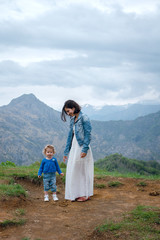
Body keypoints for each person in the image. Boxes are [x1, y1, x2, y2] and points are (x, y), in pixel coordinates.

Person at [61, 100, 94, 202]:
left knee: (83, 171)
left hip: (82, 147)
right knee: (74, 170)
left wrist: (84, 149)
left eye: (68, 110)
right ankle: (76, 194)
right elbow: (70, 136)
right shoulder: (73, 119)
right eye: (66, 112)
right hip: (75, 147)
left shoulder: (84, 118)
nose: (68, 113)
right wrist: (66, 152)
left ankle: (85, 194)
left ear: (74, 108)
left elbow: (88, 135)